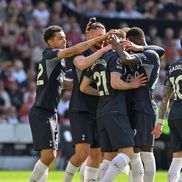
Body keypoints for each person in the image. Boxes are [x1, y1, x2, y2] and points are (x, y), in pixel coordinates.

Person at [29, 25, 115, 182]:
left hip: (50, 112)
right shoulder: (51, 55)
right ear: (50, 42)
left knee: (49, 156)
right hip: (42, 110)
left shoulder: (56, 63)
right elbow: (74, 51)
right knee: (49, 156)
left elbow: (65, 84)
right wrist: (100, 40)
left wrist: (84, 80)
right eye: (60, 38)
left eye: (65, 37)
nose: (64, 40)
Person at [80, 32, 147, 181]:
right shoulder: (115, 57)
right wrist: (132, 84)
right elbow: (116, 82)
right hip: (116, 111)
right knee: (128, 153)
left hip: (101, 112)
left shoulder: (97, 60)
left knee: (109, 157)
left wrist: (104, 93)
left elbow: (83, 87)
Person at [63, 17, 113, 182]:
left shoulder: (107, 55)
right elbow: (82, 64)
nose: (102, 39)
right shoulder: (80, 52)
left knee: (96, 153)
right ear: (88, 36)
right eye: (97, 36)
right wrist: (103, 50)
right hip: (80, 108)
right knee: (82, 153)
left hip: (98, 109)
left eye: (103, 36)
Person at [113, 27, 163, 182]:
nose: (129, 48)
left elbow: (127, 58)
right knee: (132, 152)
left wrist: (117, 45)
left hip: (145, 107)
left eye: (130, 43)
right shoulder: (141, 53)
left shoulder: (150, 54)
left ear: (140, 40)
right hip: (131, 108)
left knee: (146, 151)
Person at [152, 37, 182, 182]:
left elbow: (165, 98)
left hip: (175, 114)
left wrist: (160, 122)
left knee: (177, 156)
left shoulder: (172, 67)